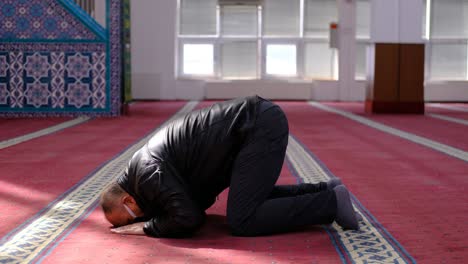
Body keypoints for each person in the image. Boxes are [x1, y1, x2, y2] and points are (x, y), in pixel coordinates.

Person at [100, 95, 360, 238]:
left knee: (242, 219)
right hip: (252, 127)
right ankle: (326, 190)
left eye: (129, 220)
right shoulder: (142, 171)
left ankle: (331, 204)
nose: (137, 220)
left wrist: (147, 227)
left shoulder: (147, 173)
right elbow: (192, 204)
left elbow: (189, 217)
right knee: (246, 200)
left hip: (255, 127)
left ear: (129, 201)